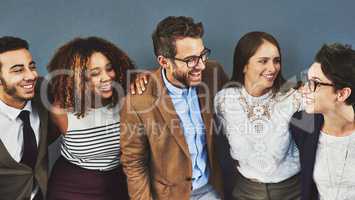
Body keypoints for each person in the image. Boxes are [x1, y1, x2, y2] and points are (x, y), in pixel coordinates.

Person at [120, 16, 228, 200]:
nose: (201, 65)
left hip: (212, 190)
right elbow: (134, 163)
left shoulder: (213, 73)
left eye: (203, 54)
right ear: (164, 62)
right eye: (191, 60)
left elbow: (244, 96)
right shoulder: (138, 103)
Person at [214, 31, 303, 200]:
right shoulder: (224, 100)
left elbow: (332, 96)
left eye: (276, 61)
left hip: (291, 191)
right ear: (244, 65)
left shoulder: (292, 97)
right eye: (263, 61)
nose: (272, 68)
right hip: (245, 191)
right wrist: (149, 78)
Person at [46, 36, 134, 200]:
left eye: (109, 69)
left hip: (117, 183)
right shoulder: (61, 110)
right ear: (76, 78)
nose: (106, 77)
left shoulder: (126, 98)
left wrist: (143, 76)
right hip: (72, 188)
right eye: (95, 73)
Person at [290, 43, 355, 200]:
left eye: (315, 83)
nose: (305, 89)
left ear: (341, 94)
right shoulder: (302, 127)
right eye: (307, 81)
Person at [0, 36, 50, 200]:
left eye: (32, 66)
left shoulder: (44, 93)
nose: (31, 76)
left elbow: (87, 80)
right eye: (18, 70)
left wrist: (133, 78)